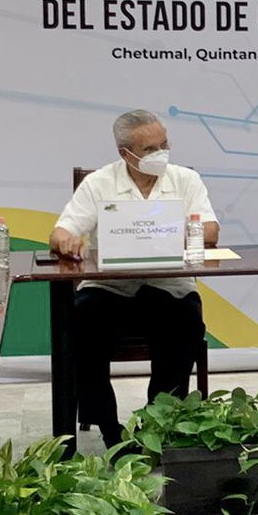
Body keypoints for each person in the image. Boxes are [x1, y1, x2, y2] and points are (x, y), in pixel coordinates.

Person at [50, 109, 219, 447]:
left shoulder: (185, 179)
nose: (161, 154)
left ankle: (159, 426)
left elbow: (211, 232)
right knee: (78, 327)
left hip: (168, 288)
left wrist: (167, 232)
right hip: (110, 289)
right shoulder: (100, 182)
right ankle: (111, 431)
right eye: (149, 149)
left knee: (185, 323)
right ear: (124, 154)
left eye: (164, 144)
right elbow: (60, 232)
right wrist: (66, 240)